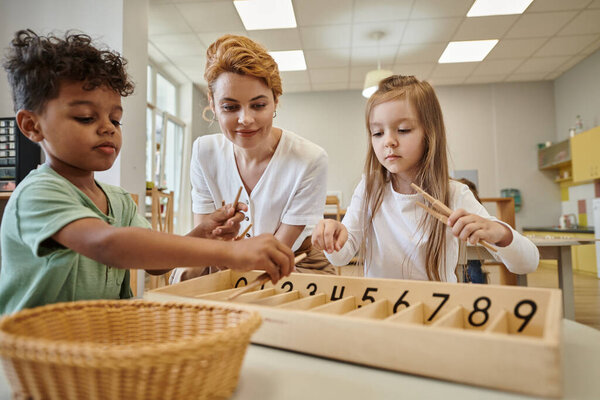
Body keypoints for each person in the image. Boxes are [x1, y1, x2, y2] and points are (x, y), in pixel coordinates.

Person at [0, 30, 294, 315]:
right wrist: (232, 254)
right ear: (31, 125)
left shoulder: (118, 200)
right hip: (36, 357)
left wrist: (204, 234)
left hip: (99, 349)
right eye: (86, 117)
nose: (107, 128)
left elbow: (155, 263)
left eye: (115, 120)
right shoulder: (38, 193)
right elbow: (107, 245)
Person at [311, 75, 539, 281]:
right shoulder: (370, 188)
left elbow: (528, 263)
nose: (388, 141)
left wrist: (500, 232)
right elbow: (341, 257)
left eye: (403, 130)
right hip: (383, 310)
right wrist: (334, 238)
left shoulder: (454, 193)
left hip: (437, 309)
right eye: (378, 133)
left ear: (430, 134)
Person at [171, 34, 333, 283]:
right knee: (182, 276)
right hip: (224, 257)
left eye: (258, 105)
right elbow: (205, 242)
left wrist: (229, 254)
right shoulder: (204, 151)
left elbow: (276, 254)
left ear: (275, 101)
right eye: (230, 107)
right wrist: (221, 246)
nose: (245, 119)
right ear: (213, 105)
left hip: (291, 261)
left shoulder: (310, 159)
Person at [455, 178, 487, 284]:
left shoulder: (467, 199)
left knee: (473, 268)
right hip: (469, 244)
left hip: (471, 243)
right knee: (474, 268)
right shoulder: (472, 200)